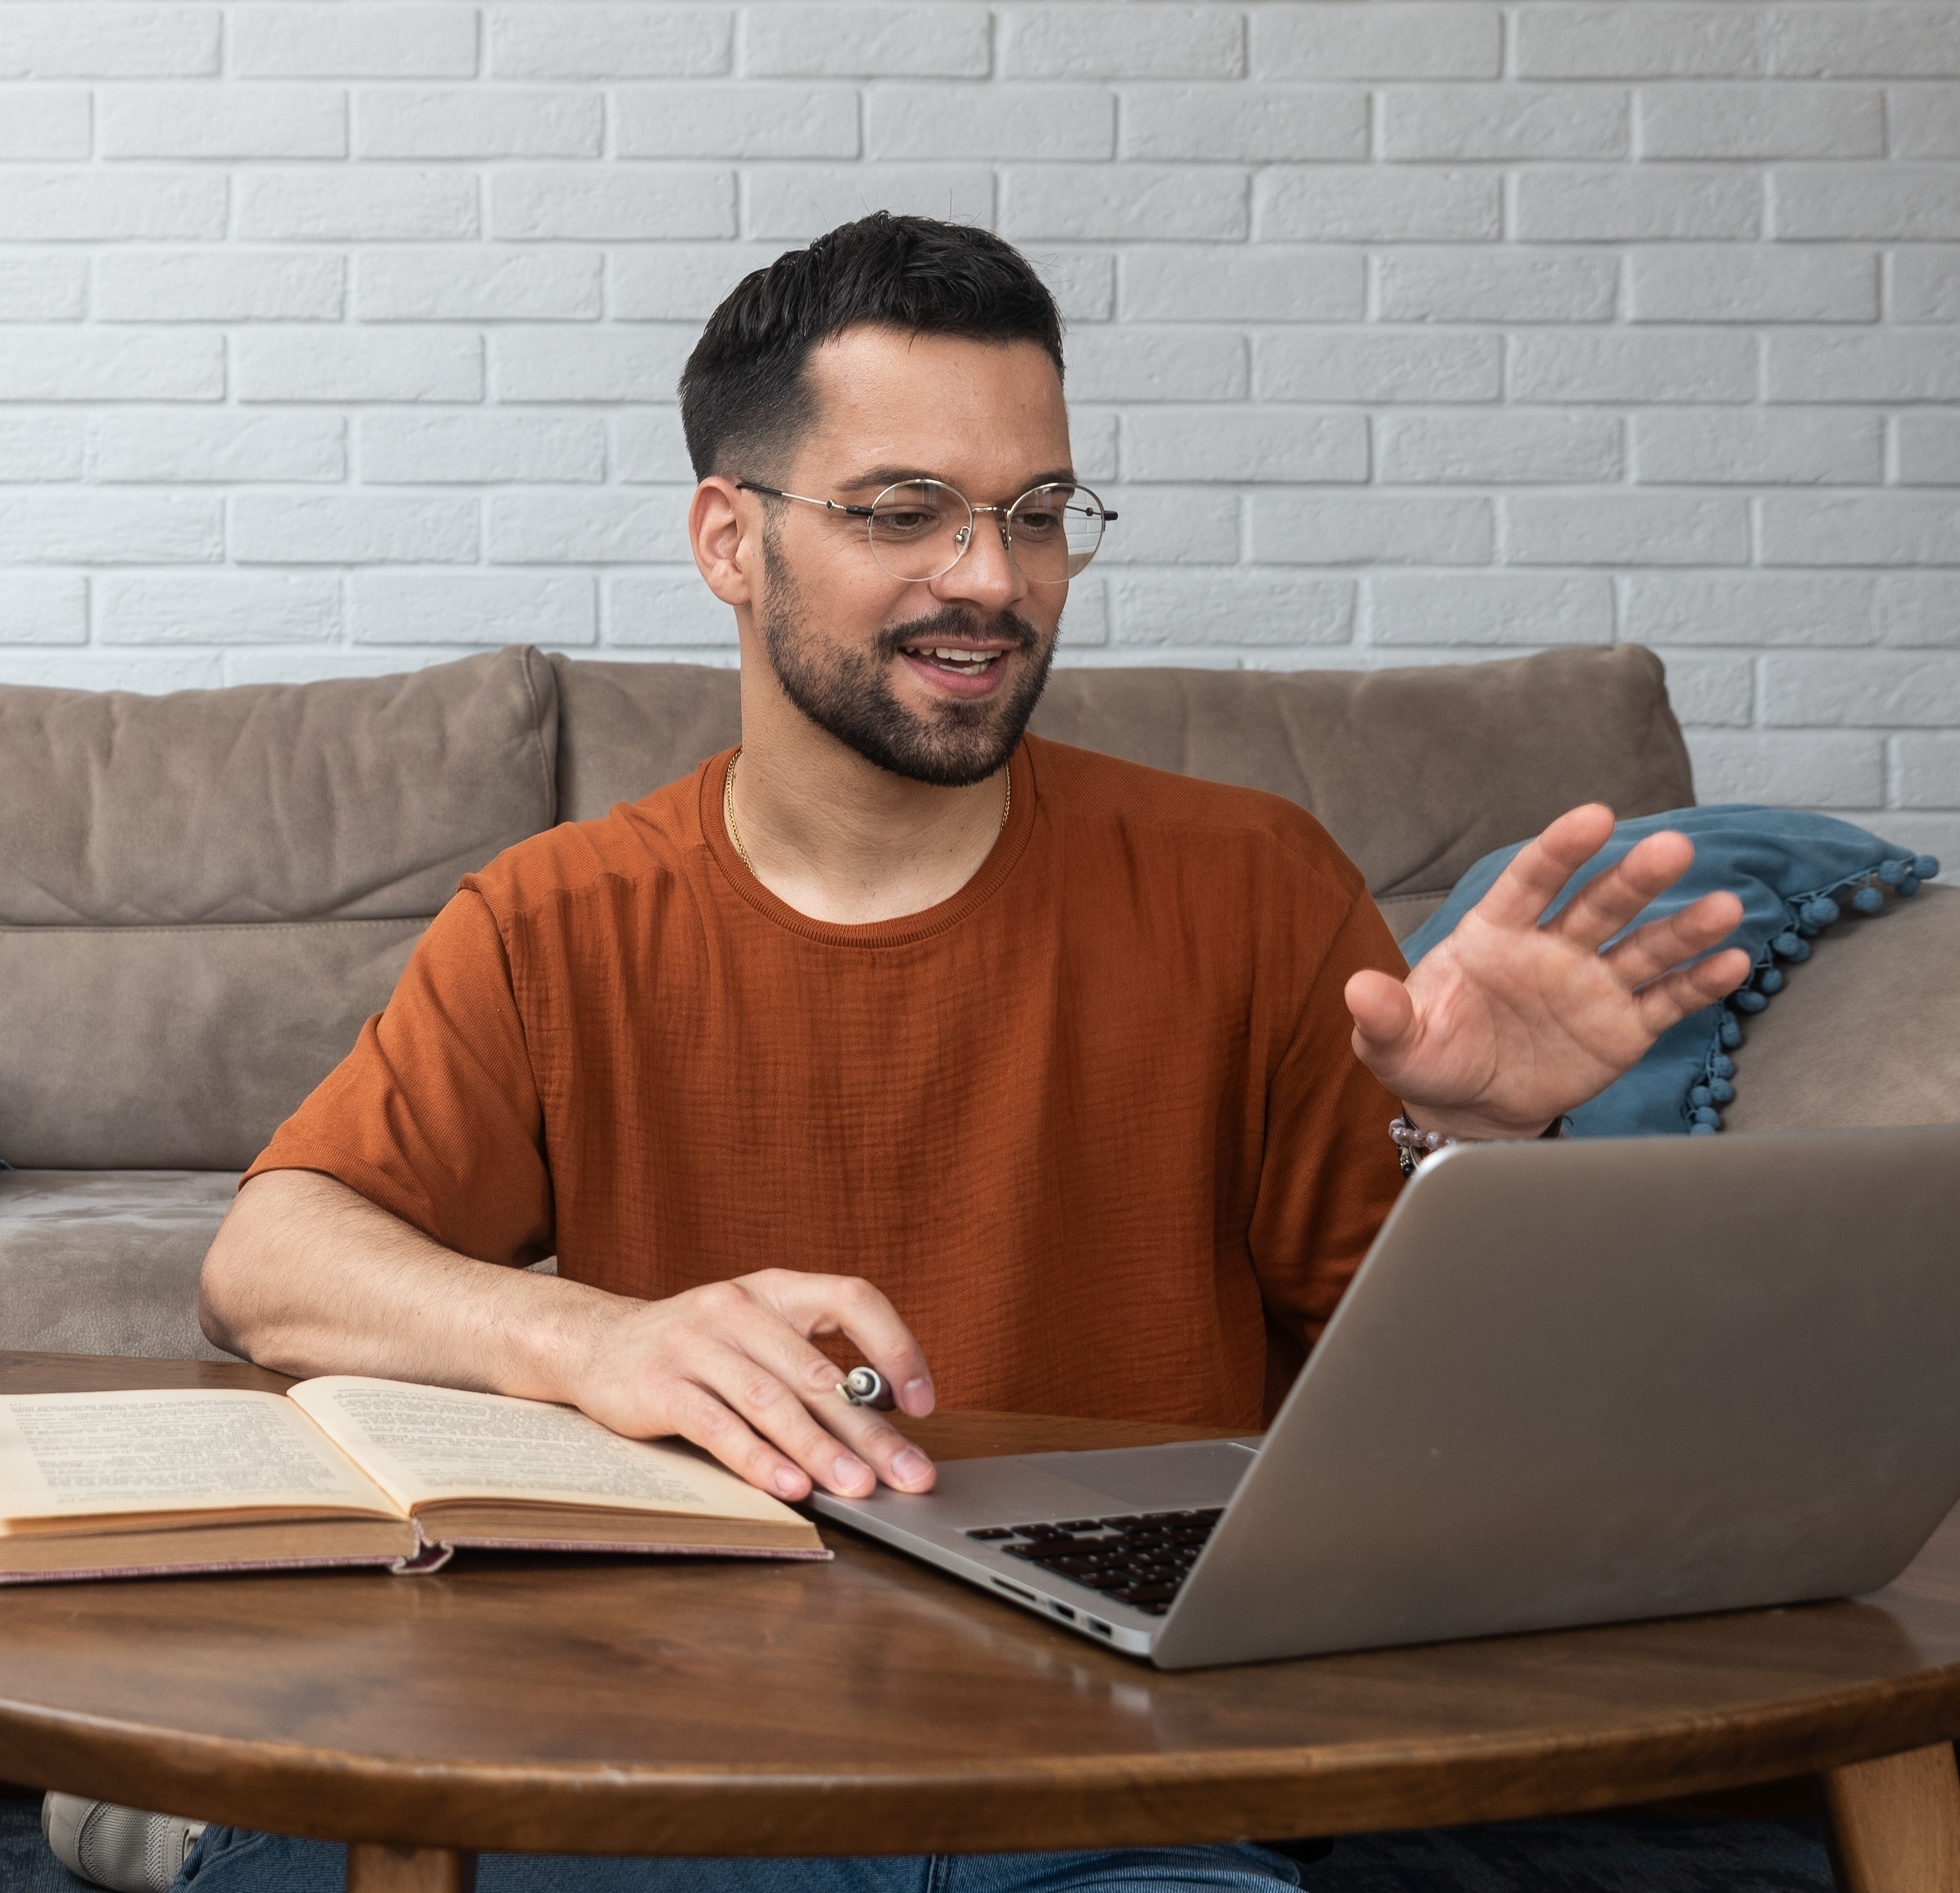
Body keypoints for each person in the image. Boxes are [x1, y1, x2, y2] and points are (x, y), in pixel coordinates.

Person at [53, 216, 1748, 1893]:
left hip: (1119, 1761)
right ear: (730, 537)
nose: (992, 581)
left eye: (1035, 515)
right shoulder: (557, 919)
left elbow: (1454, 1433)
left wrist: (1480, 1154)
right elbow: (268, 1261)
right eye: (901, 513)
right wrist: (601, 1341)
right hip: (687, 1740)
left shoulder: (1255, 883)